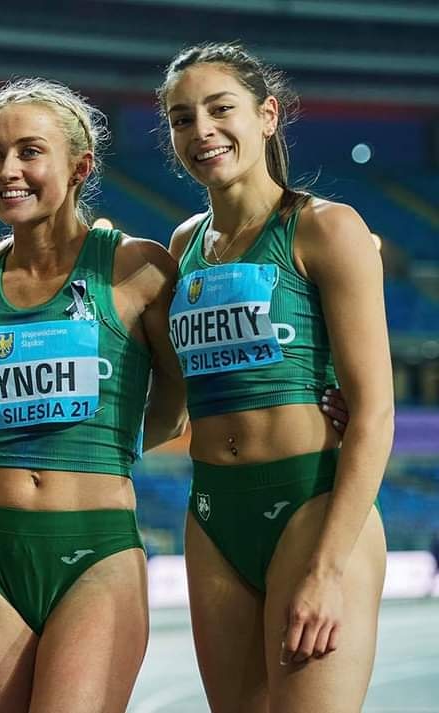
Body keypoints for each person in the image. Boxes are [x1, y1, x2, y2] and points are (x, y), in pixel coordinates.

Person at [0, 78, 187, 713]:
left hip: (94, 549)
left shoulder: (137, 268)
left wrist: (87, 448)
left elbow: (175, 405)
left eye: (29, 152)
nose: (8, 170)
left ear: (80, 166)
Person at [159, 43, 391, 712]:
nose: (200, 129)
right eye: (181, 118)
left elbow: (374, 415)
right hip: (212, 518)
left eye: (219, 108)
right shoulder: (183, 246)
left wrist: (326, 567)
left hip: (310, 507)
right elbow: (172, 406)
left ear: (266, 117)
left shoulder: (326, 228)